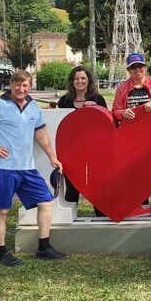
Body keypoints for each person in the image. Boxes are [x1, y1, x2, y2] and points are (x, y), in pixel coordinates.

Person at [0, 70, 66, 266]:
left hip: (27, 168)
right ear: (11, 84)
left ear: (30, 86)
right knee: (1, 211)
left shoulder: (33, 106)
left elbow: (40, 133)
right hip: (3, 168)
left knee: (46, 202)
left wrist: (52, 156)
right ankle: (2, 254)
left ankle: (44, 248)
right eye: (17, 85)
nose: (21, 89)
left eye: (25, 85)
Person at [112, 52, 151, 217]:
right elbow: (115, 111)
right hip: (132, 137)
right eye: (133, 68)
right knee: (138, 172)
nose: (137, 70)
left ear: (145, 68)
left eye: (140, 66)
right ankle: (143, 205)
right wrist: (123, 113)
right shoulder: (123, 88)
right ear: (129, 70)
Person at [56, 65, 108, 217]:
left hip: (94, 151)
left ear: (88, 81)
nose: (80, 81)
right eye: (76, 78)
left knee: (96, 185)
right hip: (71, 151)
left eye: (83, 78)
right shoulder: (64, 101)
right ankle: (69, 217)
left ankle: (101, 216)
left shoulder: (98, 99)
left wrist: (96, 108)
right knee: (72, 186)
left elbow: (107, 124)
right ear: (72, 82)